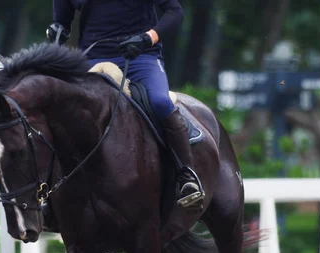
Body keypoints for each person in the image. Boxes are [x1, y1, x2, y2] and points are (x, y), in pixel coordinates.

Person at [46, 0, 204, 209]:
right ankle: (50, 191)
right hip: (90, 58)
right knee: (59, 112)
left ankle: (186, 175)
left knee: (160, 102)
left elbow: (175, 13)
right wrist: (57, 30)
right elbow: (62, 21)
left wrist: (147, 38)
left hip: (141, 56)